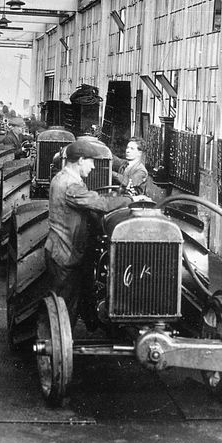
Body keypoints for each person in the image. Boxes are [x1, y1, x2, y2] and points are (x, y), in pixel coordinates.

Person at [45, 139, 151, 326]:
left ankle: (91, 319)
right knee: (64, 309)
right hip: (65, 253)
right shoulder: (71, 185)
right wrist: (130, 200)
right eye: (91, 161)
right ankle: (61, 345)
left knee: (72, 297)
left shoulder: (60, 177)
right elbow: (100, 203)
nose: (93, 167)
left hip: (60, 247)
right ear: (80, 160)